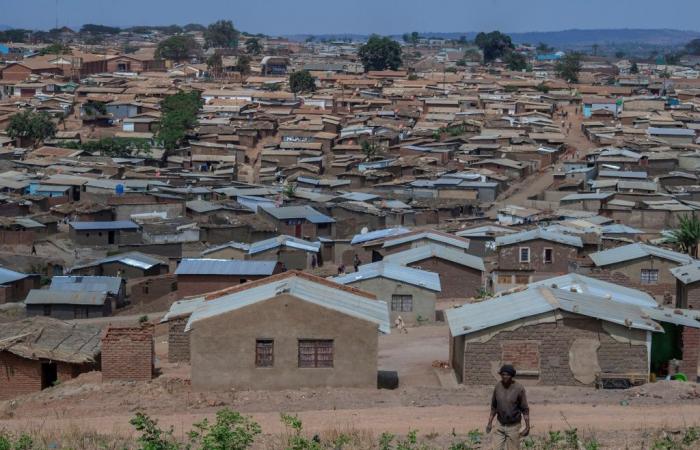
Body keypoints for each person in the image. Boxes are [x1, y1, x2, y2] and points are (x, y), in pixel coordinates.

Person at [486, 365, 530, 450]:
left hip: (513, 426)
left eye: (507, 374)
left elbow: (525, 409)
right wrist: (490, 423)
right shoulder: (498, 387)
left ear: (512, 376)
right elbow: (494, 407)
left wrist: (527, 427)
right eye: (503, 374)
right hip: (500, 425)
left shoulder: (519, 388)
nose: (505, 376)